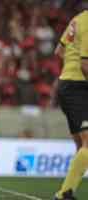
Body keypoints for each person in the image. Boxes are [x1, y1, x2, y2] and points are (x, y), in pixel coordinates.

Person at [53, 9, 88, 200]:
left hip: (68, 84)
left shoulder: (78, 18)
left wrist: (69, 68)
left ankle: (67, 191)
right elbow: (84, 65)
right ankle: (64, 194)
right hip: (78, 86)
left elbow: (59, 51)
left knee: (81, 146)